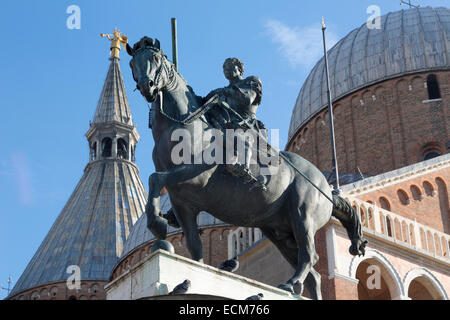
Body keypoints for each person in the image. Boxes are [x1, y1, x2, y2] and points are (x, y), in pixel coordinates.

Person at [203, 58, 267, 189]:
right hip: (226, 126)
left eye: (229, 67)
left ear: (239, 68)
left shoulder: (251, 81)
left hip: (247, 125)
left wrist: (223, 91)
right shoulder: (223, 91)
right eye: (224, 69)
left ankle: (244, 167)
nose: (226, 71)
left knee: (242, 137)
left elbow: (247, 99)